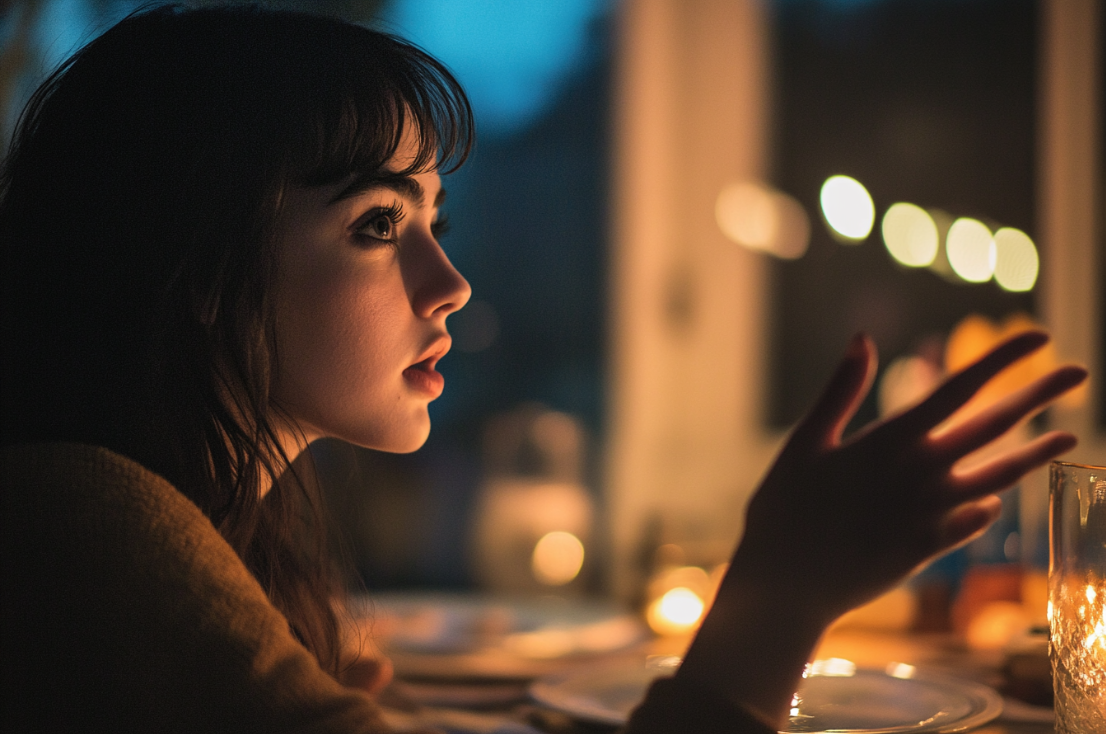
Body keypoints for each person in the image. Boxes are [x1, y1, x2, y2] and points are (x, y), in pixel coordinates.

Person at [0, 5, 1087, 733]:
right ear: (195, 262)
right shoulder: (81, 520)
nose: (450, 282)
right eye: (379, 223)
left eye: (437, 218)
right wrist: (778, 593)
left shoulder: (214, 530)